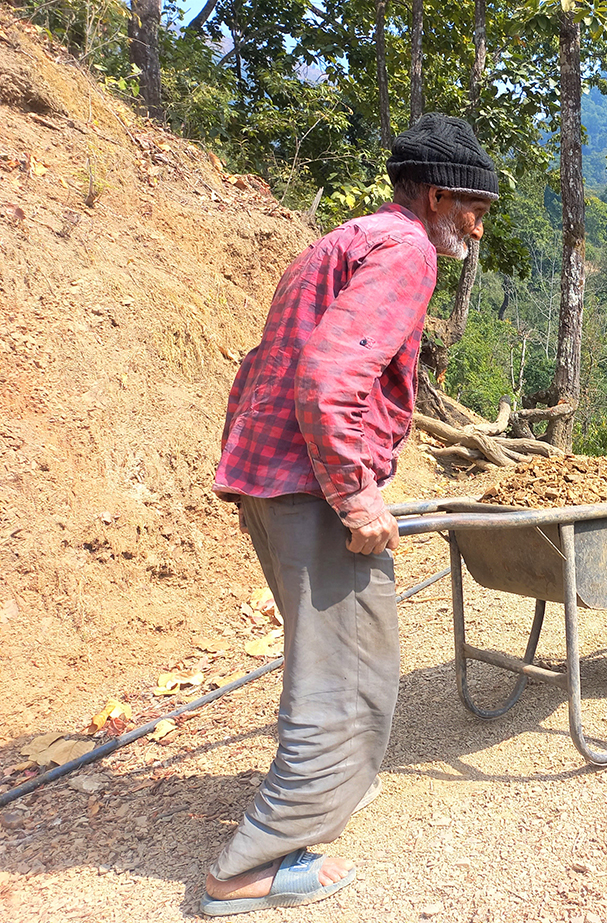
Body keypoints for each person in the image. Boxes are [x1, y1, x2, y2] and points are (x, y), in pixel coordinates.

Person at [201, 113, 498, 916]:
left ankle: (323, 791)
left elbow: (273, 359)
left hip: (269, 473)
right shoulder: (406, 251)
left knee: (323, 655)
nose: (478, 225)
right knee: (349, 670)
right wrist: (355, 493)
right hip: (311, 483)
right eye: (475, 208)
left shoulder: (343, 239)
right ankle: (251, 862)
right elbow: (331, 373)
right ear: (437, 196)